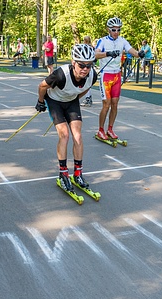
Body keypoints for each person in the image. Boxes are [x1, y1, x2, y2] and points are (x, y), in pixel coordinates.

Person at [35, 44, 98, 192]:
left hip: (71, 102)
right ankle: (63, 174)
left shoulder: (92, 76)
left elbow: (85, 89)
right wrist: (40, 101)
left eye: (89, 66)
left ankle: (78, 173)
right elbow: (42, 86)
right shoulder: (61, 74)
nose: (85, 69)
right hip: (55, 101)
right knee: (64, 135)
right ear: (73, 62)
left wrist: (73, 97)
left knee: (78, 136)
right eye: (81, 65)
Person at [94, 17, 139, 140]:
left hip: (117, 75)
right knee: (106, 104)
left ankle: (110, 129)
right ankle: (100, 130)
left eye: (119, 30)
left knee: (115, 104)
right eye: (114, 30)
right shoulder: (102, 41)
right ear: (109, 30)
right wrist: (108, 53)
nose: (116, 32)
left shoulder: (122, 41)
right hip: (106, 75)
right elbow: (95, 54)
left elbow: (131, 50)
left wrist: (139, 54)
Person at [80, 35, 94, 107]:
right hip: (90, 66)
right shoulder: (92, 48)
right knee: (87, 82)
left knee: (86, 83)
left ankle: (88, 98)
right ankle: (88, 97)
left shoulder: (85, 48)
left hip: (86, 67)